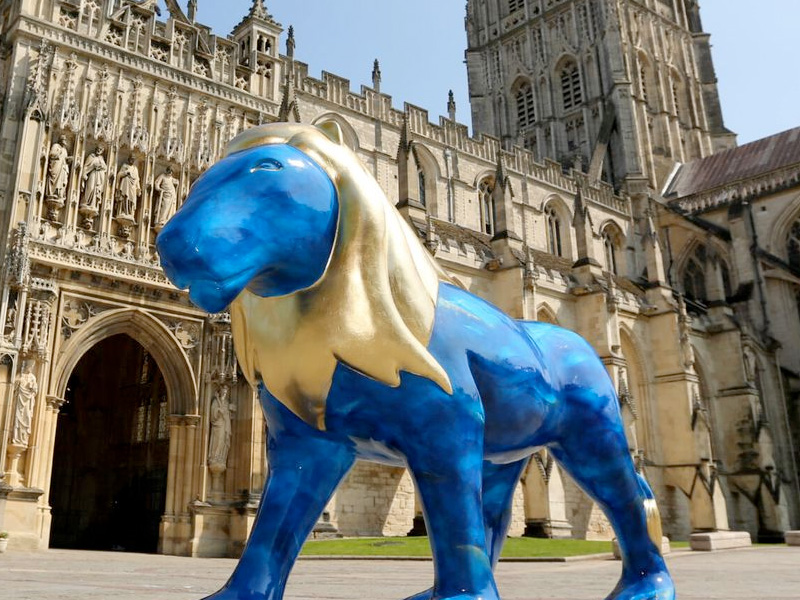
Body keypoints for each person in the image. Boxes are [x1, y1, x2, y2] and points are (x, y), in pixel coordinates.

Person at [11, 360, 38, 446]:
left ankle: (23, 438)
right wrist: (18, 382)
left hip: (27, 401)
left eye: (32, 367)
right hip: (19, 399)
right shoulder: (20, 375)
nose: (31, 368)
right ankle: (15, 437)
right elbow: (13, 385)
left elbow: (35, 390)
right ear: (26, 366)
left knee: (27, 417)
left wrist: (32, 387)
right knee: (16, 418)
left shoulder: (32, 377)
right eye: (30, 366)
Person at [80, 145, 107, 212]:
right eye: (98, 149)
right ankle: (85, 202)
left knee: (96, 190)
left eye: (100, 149)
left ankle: (93, 204)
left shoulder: (101, 159)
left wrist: (101, 166)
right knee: (90, 187)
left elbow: (105, 168)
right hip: (92, 174)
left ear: (102, 151)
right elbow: (86, 166)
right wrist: (91, 167)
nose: (99, 150)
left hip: (99, 177)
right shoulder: (91, 156)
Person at [45, 137, 70, 203]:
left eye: (65, 140)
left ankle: (59, 194)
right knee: (54, 177)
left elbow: (65, 159)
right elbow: (51, 154)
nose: (65, 142)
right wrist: (58, 153)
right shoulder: (56, 146)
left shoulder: (65, 150)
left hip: (63, 168)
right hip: (56, 165)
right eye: (64, 140)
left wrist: (68, 159)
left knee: (62, 181)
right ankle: (52, 193)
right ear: (61, 140)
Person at [115, 156, 140, 221]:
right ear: (129, 159)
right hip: (125, 184)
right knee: (124, 197)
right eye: (131, 159)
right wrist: (125, 173)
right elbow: (119, 174)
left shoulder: (135, 169)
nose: (132, 160)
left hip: (132, 187)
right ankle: (123, 211)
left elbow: (137, 179)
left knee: (131, 199)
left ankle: (130, 213)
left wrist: (138, 188)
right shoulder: (124, 166)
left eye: (133, 159)